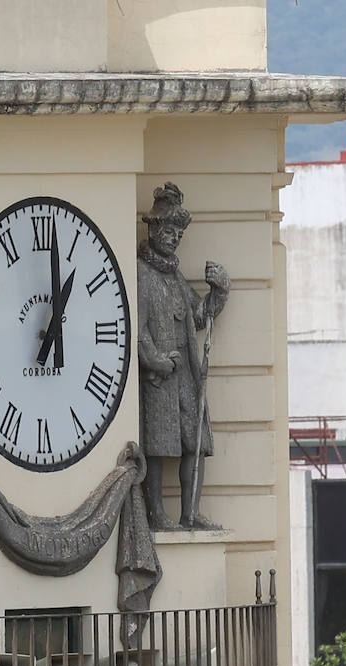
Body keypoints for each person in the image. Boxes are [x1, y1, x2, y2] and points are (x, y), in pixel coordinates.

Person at [136, 182, 229, 530]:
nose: (175, 238)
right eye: (170, 230)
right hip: (160, 374)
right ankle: (157, 513)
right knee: (158, 443)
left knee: (197, 440)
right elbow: (138, 329)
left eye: (179, 233)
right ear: (155, 229)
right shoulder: (142, 275)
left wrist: (220, 291)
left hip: (185, 373)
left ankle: (190, 511)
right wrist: (156, 359)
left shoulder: (174, 275)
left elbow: (200, 315)